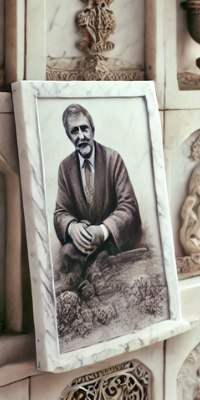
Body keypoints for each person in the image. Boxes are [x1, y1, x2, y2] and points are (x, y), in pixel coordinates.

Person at [54, 103, 142, 280]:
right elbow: (60, 212)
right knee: (66, 255)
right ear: (68, 135)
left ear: (93, 129)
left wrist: (102, 231)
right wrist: (72, 228)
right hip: (84, 245)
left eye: (84, 129)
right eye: (74, 131)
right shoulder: (65, 167)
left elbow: (128, 206)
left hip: (112, 241)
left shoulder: (113, 159)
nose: (81, 136)